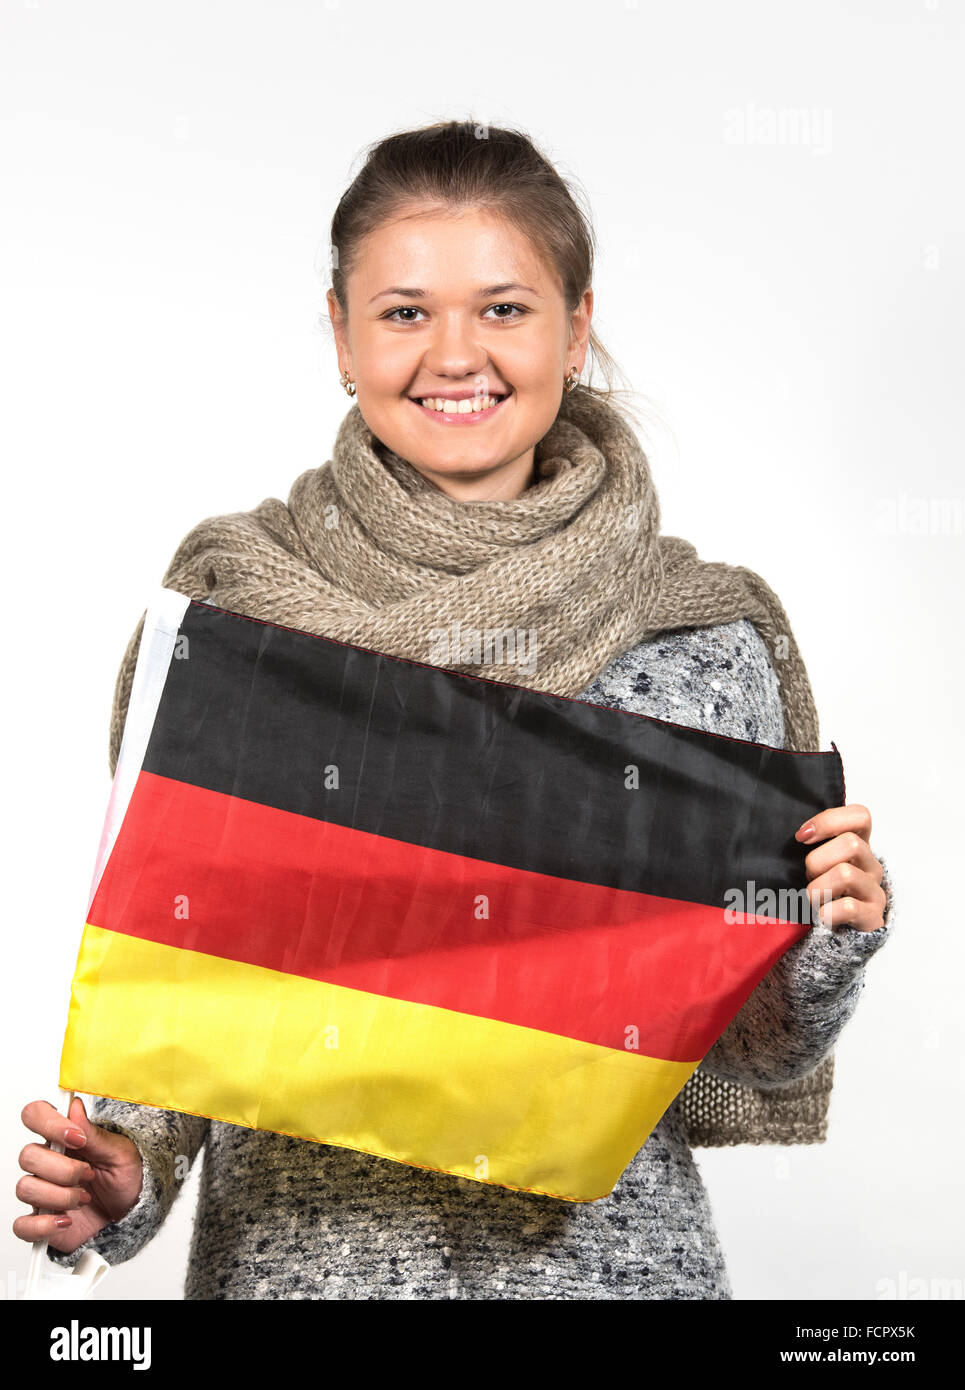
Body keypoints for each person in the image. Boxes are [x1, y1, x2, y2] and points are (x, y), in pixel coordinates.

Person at [15, 119, 892, 1300]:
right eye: (404, 311)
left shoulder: (700, 641)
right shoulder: (235, 617)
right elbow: (195, 980)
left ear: (576, 328)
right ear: (339, 331)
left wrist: (825, 937)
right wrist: (128, 1171)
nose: (455, 353)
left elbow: (745, 1053)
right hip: (298, 1276)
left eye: (504, 308)